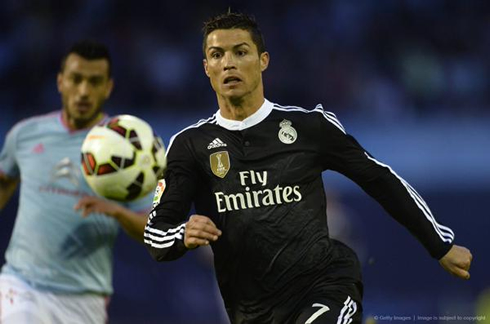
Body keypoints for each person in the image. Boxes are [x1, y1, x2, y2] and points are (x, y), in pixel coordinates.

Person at [144, 12, 473, 324]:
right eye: (217, 55)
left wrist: (439, 244)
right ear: (206, 67)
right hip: (252, 311)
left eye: (240, 52)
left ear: (263, 61)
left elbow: (379, 179)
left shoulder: (309, 127)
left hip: (326, 287)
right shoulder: (189, 146)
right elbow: (157, 232)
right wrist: (182, 234)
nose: (228, 62)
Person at [0, 40, 152, 323]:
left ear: (108, 87)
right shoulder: (26, 134)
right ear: (61, 81)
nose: (83, 91)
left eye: (94, 82)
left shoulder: (127, 146)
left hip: (84, 298)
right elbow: (4, 181)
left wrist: (117, 211)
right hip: (21, 284)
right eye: (76, 79)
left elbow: (153, 229)